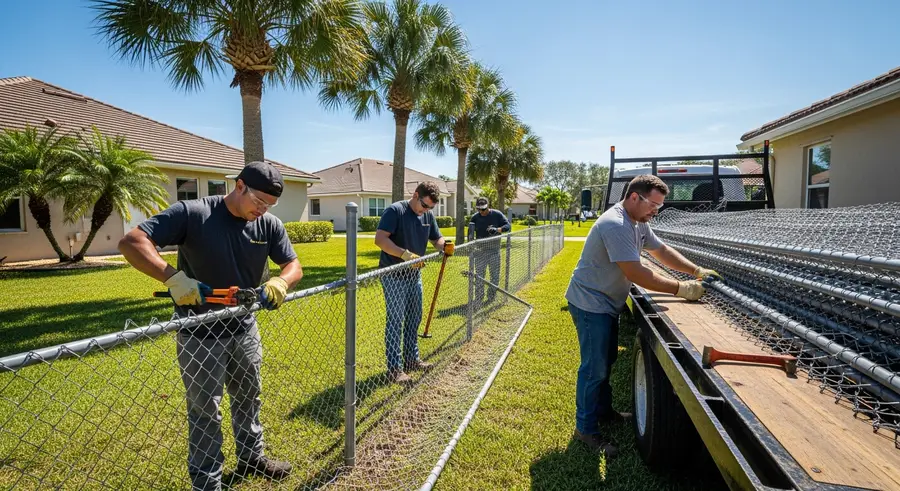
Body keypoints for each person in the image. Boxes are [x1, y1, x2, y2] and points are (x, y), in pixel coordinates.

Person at [118, 162, 303, 490]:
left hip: (244, 328)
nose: (262, 210)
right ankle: (207, 481)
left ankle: (252, 456)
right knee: (205, 410)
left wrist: (281, 281)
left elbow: (293, 264)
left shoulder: (269, 225)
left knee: (249, 396)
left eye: (270, 206)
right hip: (199, 332)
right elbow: (132, 242)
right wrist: (174, 278)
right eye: (259, 202)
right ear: (240, 185)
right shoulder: (193, 213)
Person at [564, 174, 719, 457]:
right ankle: (585, 429)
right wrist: (680, 288)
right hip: (590, 303)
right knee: (593, 368)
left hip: (606, 302)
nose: (656, 212)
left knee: (606, 360)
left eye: (659, 207)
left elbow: (661, 250)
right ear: (634, 197)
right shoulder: (616, 224)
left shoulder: (637, 222)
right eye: (654, 205)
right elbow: (635, 272)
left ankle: (603, 412)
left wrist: (695, 271)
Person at [374, 181, 453, 384]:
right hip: (393, 275)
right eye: (424, 205)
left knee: (414, 318)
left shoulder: (427, 215)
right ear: (415, 195)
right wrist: (404, 255)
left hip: (414, 276)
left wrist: (445, 246)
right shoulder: (395, 211)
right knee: (396, 321)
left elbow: (436, 239)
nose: (426, 210)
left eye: (430, 208)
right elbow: (380, 239)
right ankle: (394, 369)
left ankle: (411, 360)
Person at [466, 197, 511, 307]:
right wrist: (470, 246)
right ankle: (478, 299)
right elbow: (470, 234)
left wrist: (497, 229)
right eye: (479, 209)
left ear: (488, 206)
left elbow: (508, 226)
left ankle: (491, 297)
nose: (481, 212)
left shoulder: (497, 214)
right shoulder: (475, 218)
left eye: (483, 209)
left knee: (494, 276)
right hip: (480, 252)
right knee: (479, 276)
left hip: (494, 251)